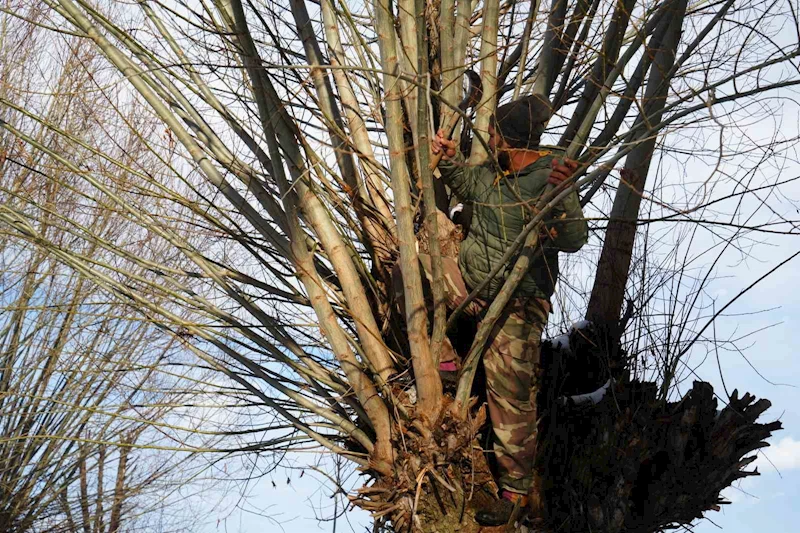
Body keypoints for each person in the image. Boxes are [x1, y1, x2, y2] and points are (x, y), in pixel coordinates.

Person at [430, 94, 588, 526]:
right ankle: (445, 358)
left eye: (495, 132)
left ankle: (515, 493)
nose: (490, 138)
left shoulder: (550, 174)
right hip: (473, 290)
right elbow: (466, 183)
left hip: (519, 305)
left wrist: (564, 194)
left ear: (509, 137)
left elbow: (574, 239)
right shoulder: (493, 175)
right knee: (425, 253)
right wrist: (447, 159)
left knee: (511, 399)